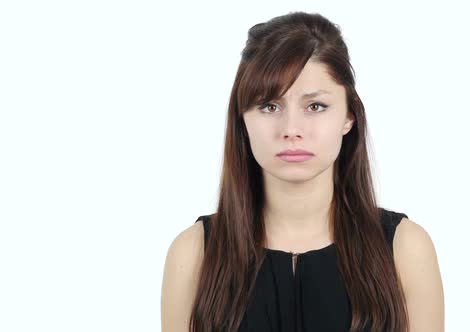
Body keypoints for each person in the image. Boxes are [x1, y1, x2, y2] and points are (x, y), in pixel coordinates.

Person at [161, 11, 444, 332]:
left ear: (349, 117)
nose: (291, 129)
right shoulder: (194, 255)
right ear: (242, 119)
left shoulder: (405, 250)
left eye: (315, 106)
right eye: (269, 106)